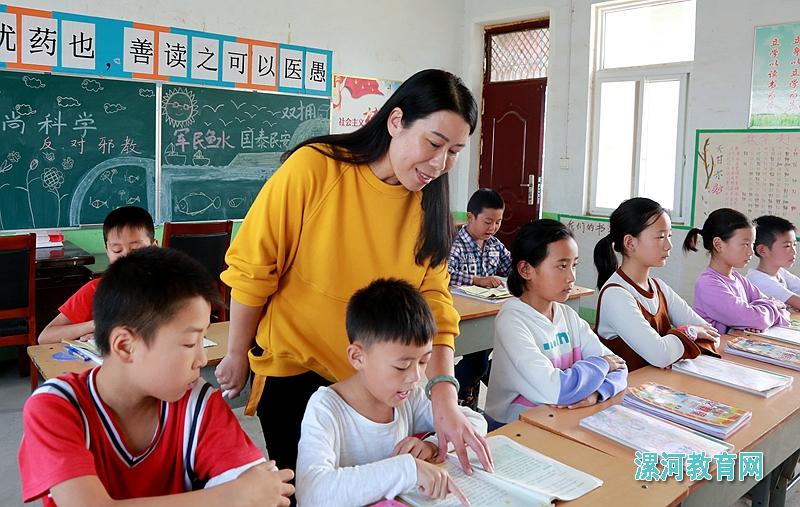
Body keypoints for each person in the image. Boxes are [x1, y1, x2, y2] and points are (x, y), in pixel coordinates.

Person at [215, 69, 493, 477]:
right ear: (396, 121)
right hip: (298, 374)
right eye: (433, 143)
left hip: (377, 384)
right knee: (309, 494)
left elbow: (434, 303)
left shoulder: (428, 206)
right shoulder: (315, 169)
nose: (440, 163)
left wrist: (443, 393)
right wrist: (238, 352)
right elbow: (255, 267)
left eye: (454, 151)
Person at [19, 247, 294, 507]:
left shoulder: (197, 404)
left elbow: (261, 490)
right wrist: (230, 497)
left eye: (203, 340)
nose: (201, 359)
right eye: (189, 343)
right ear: (125, 346)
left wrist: (246, 493)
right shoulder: (56, 406)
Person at [296, 279, 485, 507]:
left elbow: (475, 422)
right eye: (401, 366)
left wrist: (433, 444)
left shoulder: (408, 397)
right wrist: (408, 469)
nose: (415, 377)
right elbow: (311, 493)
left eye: (424, 361)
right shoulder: (327, 408)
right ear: (358, 357)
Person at [485, 220, 627, 425]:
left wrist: (595, 394)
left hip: (561, 418)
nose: (571, 277)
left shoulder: (567, 315)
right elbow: (557, 391)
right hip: (513, 426)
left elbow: (621, 368)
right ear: (526, 270)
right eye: (561, 266)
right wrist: (602, 365)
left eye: (574, 265)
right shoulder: (512, 321)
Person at [593, 198, 720, 370]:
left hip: (660, 388)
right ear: (630, 243)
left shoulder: (659, 287)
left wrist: (675, 342)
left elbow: (713, 335)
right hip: (629, 392)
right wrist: (689, 332)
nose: (669, 245)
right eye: (660, 237)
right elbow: (661, 356)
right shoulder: (616, 295)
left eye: (669, 236)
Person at [38, 206, 156, 344]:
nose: (126, 257)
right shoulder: (96, 289)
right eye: (117, 250)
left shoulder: (172, 289)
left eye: (136, 250)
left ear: (154, 247)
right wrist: (97, 325)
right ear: (107, 251)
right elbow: (45, 337)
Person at [448, 188, 511, 408]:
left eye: (498, 222)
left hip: (489, 308)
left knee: (490, 359)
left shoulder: (494, 244)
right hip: (461, 314)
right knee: (478, 363)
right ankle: (440, 397)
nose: (493, 228)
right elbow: (444, 273)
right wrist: (476, 280)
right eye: (487, 221)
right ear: (470, 217)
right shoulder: (456, 242)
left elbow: (510, 267)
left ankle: (468, 405)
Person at [684, 208, 790, 334]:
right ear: (718, 245)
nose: (751, 251)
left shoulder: (739, 279)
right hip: (716, 351)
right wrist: (763, 312)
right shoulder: (708, 284)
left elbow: (784, 312)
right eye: (745, 244)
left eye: (752, 244)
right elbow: (757, 319)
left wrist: (756, 314)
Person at [747, 215, 800, 310]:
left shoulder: (780, 273)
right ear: (762, 250)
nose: (794, 252)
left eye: (794, 245)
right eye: (787, 246)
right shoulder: (758, 280)